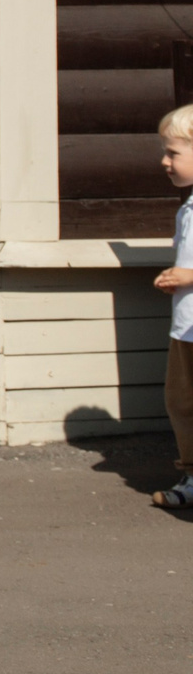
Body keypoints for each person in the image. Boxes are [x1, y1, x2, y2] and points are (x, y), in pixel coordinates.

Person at [154, 104, 193, 511]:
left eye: (174, 153)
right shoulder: (189, 207)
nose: (165, 162)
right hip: (186, 327)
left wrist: (188, 276)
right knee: (182, 401)